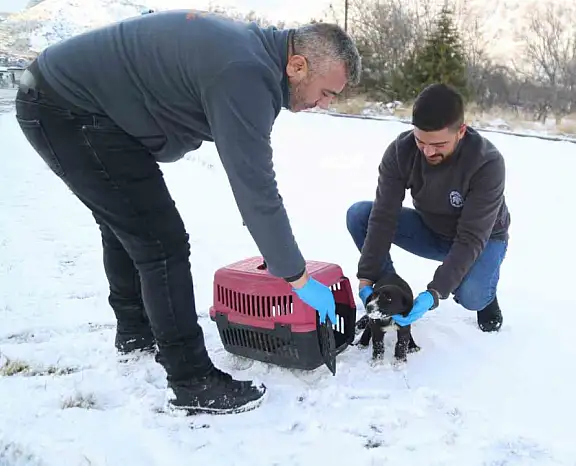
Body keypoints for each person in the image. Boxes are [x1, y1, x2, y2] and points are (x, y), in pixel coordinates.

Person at [14, 10, 361, 415]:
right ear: (297, 65)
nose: (324, 104)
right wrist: (297, 277)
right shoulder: (245, 72)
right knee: (162, 244)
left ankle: (134, 332)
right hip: (65, 108)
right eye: (327, 93)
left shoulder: (250, 56)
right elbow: (256, 191)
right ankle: (191, 380)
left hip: (76, 104)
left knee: (127, 222)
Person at [347, 83, 510, 333]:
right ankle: (390, 287)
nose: (428, 151)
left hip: (482, 239)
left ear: (461, 131)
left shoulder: (486, 162)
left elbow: (471, 237)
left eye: (439, 144)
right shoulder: (401, 152)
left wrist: (435, 292)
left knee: (472, 296)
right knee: (360, 215)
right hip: (430, 228)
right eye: (421, 141)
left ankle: (484, 294)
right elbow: (383, 217)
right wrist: (367, 275)